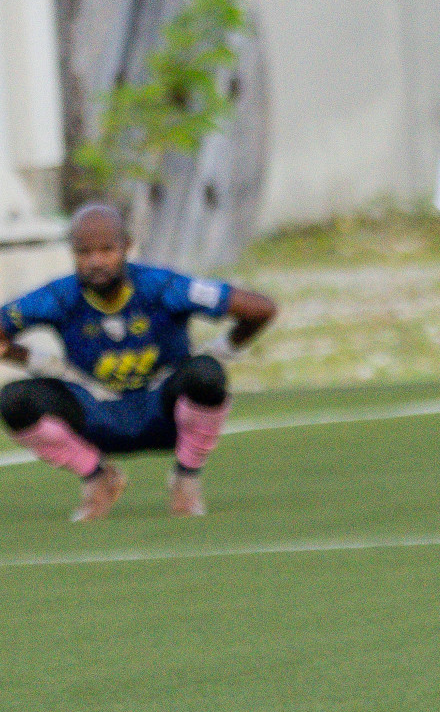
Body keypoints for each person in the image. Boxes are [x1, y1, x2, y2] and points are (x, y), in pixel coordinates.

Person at [0, 203, 277, 520]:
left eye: (107, 250)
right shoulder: (59, 295)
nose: (95, 262)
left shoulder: (162, 286)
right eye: (84, 252)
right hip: (96, 413)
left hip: (164, 411)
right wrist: (31, 359)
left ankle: (186, 477)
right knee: (13, 400)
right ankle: (97, 476)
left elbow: (260, 308)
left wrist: (220, 351)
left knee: (206, 374)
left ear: (127, 246)